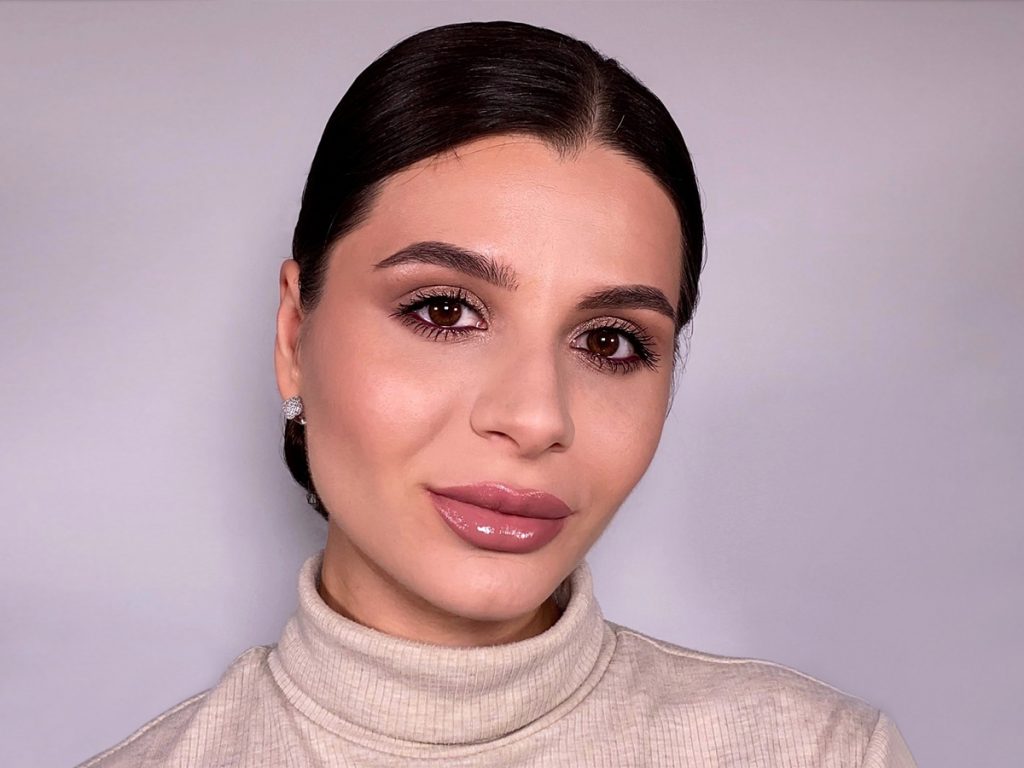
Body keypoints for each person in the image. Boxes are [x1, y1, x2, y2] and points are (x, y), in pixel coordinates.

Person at [76, 19, 916, 768]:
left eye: (609, 342)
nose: (536, 417)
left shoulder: (819, 755)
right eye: (444, 310)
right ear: (295, 336)